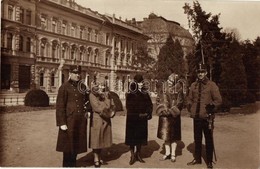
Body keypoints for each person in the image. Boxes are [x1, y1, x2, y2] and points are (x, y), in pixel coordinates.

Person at [186, 63, 222, 169]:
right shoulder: (193, 85)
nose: (200, 74)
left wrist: (212, 107)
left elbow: (218, 100)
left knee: (208, 140)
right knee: (197, 139)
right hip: (196, 117)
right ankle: (197, 159)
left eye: (202, 72)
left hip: (207, 117)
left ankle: (209, 161)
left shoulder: (212, 85)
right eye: (198, 72)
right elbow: (189, 98)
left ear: (205, 72)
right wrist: (189, 106)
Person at [56, 65, 89, 167]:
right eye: (75, 73)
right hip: (69, 120)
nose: (77, 75)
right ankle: (66, 166)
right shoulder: (64, 87)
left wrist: (87, 110)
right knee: (67, 146)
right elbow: (60, 106)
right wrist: (61, 122)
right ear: (70, 73)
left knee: (76, 144)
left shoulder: (82, 87)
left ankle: (73, 164)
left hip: (80, 120)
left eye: (79, 73)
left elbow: (87, 101)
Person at [156, 73, 185, 162]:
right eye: (169, 79)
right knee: (166, 136)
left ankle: (173, 154)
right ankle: (167, 153)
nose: (169, 82)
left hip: (174, 116)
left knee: (174, 136)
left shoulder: (179, 89)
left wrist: (172, 111)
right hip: (164, 116)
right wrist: (163, 110)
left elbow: (180, 102)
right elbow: (158, 99)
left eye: (172, 80)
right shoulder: (163, 88)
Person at [125, 74, 153, 165]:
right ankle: (132, 155)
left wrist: (148, 113)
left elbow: (150, 104)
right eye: (138, 82)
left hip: (142, 119)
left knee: (140, 138)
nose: (140, 84)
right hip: (133, 119)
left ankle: (139, 154)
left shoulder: (145, 93)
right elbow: (129, 106)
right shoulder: (131, 92)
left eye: (141, 82)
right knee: (132, 138)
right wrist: (138, 114)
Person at [89, 80, 116, 168]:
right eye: (97, 86)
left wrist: (105, 98)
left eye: (101, 86)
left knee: (102, 139)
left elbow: (111, 105)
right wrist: (107, 110)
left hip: (106, 119)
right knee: (96, 139)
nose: (99, 88)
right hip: (97, 120)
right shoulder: (92, 95)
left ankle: (99, 156)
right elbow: (96, 107)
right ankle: (96, 158)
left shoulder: (106, 95)